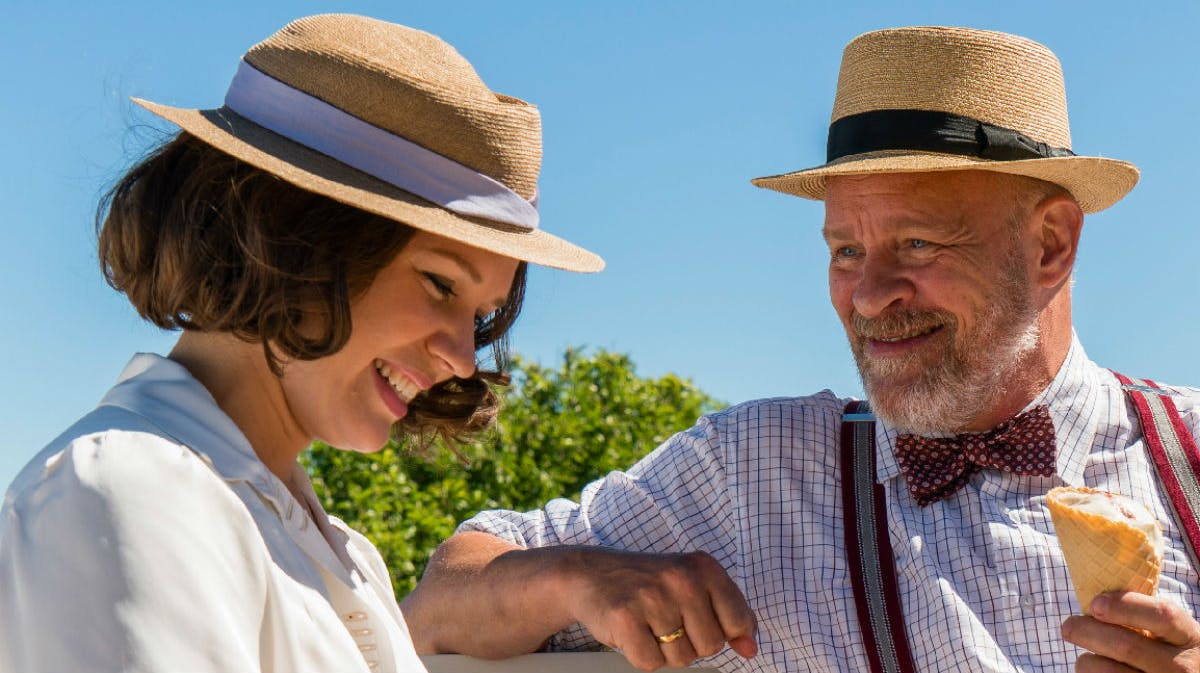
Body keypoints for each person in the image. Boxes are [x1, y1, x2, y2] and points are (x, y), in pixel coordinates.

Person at [401, 26, 1200, 673]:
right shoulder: (756, 468)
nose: (868, 294)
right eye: (845, 251)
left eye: (917, 243)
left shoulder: (1188, 452)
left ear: (1052, 244)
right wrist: (580, 575)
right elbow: (440, 601)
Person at [0, 13, 602, 673]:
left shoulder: (342, 554)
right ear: (294, 232)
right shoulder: (130, 495)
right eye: (438, 284)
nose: (463, 357)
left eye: (482, 313)